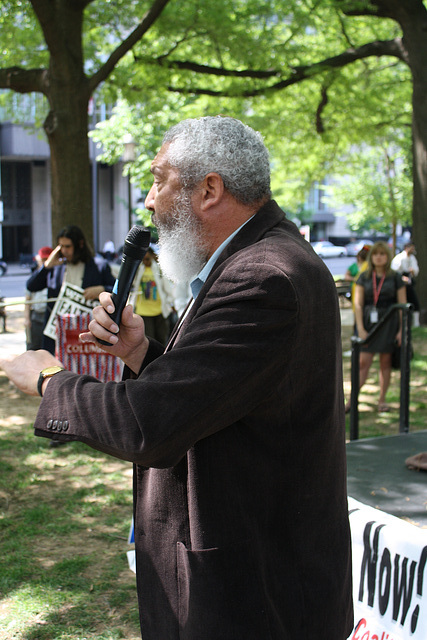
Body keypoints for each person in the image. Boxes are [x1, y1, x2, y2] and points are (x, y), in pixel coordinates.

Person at [0, 116, 353, 640]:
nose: (147, 200)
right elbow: (221, 392)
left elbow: (148, 424)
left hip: (258, 599)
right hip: (256, 582)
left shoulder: (263, 276)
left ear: (209, 189)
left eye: (158, 179)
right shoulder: (255, 260)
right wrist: (140, 351)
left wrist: (50, 377)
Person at [26, 225, 115, 354]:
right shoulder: (56, 267)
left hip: (85, 334)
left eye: (67, 246)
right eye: (61, 246)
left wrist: (101, 289)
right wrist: (47, 266)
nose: (64, 250)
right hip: (56, 334)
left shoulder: (99, 266)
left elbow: (117, 290)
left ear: (80, 244)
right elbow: (31, 286)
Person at [346, 241, 407, 413]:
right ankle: (352, 400)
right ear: (371, 257)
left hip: (389, 323)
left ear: (387, 256)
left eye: (382, 254)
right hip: (367, 323)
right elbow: (357, 304)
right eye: (375, 254)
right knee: (363, 362)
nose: (378, 257)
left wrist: (402, 330)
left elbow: (402, 305)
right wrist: (361, 328)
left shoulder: (395, 277)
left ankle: (382, 400)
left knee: (385, 362)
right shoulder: (363, 277)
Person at [130, 246, 175, 345]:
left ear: (152, 256)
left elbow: (166, 287)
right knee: (149, 340)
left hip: (159, 310)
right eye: (143, 259)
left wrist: (171, 302)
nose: (145, 261)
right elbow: (132, 283)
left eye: (147, 259)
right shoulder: (139, 269)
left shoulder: (158, 269)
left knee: (162, 339)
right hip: (143, 311)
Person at [25, 246, 52, 350]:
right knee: (33, 347)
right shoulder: (34, 278)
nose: (45, 262)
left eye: (47, 260)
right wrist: (27, 319)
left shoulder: (55, 275)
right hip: (36, 316)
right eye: (43, 260)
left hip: (49, 315)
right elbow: (27, 299)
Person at [391, 241, 420, 327]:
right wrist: (402, 278)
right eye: (411, 247)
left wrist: (412, 271)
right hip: (400, 284)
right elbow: (394, 271)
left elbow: (415, 271)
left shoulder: (412, 258)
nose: (413, 250)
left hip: (409, 284)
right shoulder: (399, 258)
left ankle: (416, 323)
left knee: (414, 302)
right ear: (407, 248)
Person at [344, 245, 370, 333]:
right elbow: (346, 276)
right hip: (356, 291)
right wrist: (354, 279)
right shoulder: (356, 266)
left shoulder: (367, 266)